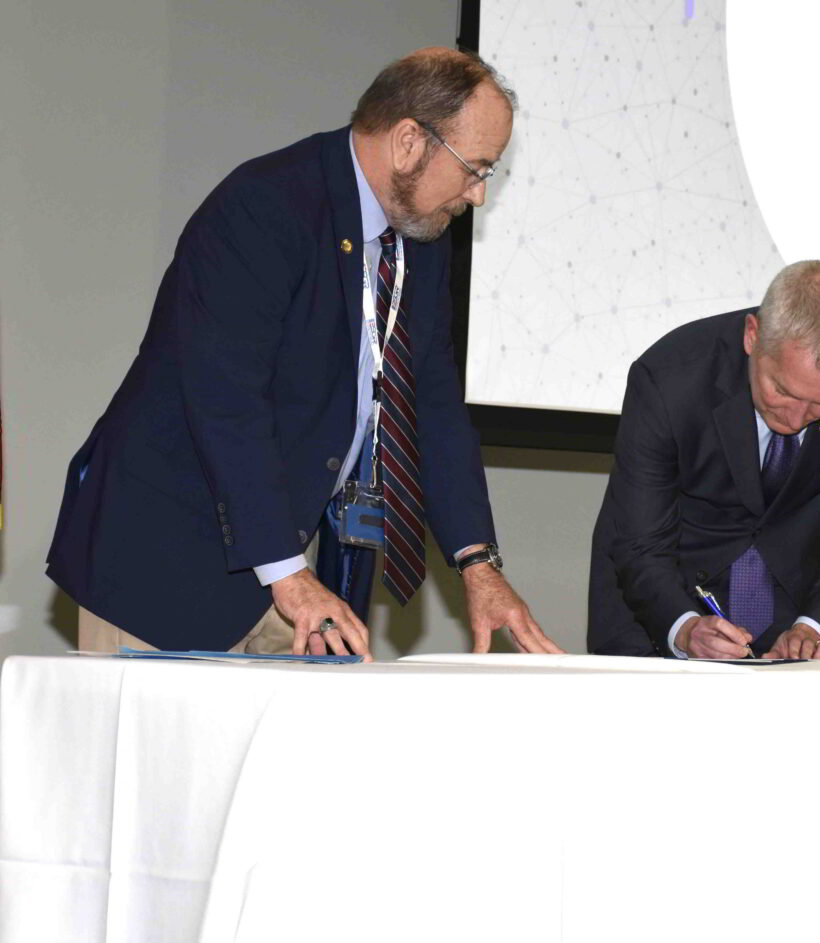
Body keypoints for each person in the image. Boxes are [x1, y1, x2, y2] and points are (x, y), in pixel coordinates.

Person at [47, 47, 561, 659]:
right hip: (167, 559)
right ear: (408, 143)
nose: (477, 195)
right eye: (475, 168)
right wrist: (287, 574)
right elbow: (225, 402)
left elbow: (435, 407)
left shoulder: (422, 235)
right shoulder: (265, 206)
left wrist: (478, 564)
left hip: (295, 560)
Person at [587, 260, 820, 660]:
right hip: (661, 601)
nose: (795, 421)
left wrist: (813, 627)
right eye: (782, 391)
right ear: (752, 336)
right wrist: (685, 627)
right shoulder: (670, 377)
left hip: (801, 598)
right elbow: (639, 542)